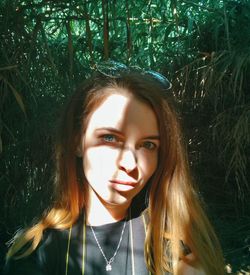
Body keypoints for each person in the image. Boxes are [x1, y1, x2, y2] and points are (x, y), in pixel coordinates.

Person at [4, 62, 225, 275]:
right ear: (77, 142)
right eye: (110, 138)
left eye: (148, 145)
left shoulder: (176, 245)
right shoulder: (35, 254)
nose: (130, 164)